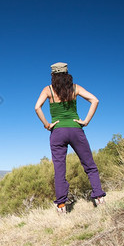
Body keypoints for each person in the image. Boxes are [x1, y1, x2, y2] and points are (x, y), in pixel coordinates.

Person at [34, 62, 106, 213]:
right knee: (89, 164)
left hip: (57, 132)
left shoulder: (48, 90)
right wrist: (85, 121)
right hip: (75, 129)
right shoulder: (75, 88)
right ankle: (99, 198)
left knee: (59, 169)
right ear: (67, 73)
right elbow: (95, 100)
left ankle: (61, 206)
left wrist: (47, 124)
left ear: (52, 75)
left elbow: (37, 107)